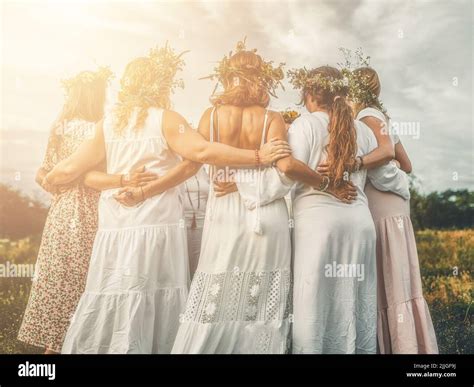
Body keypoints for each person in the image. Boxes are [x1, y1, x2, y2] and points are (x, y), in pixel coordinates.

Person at [44, 45, 290, 354]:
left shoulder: (107, 124)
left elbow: (68, 168)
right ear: (162, 84)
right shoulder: (167, 118)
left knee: (112, 288)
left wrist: (49, 178)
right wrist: (256, 156)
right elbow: (200, 153)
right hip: (158, 221)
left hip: (116, 224)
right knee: (158, 289)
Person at [171, 42, 356, 354]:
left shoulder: (210, 116)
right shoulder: (272, 119)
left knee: (217, 288)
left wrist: (147, 189)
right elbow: (284, 171)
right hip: (267, 213)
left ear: (227, 77)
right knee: (263, 298)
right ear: (264, 79)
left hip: (225, 209)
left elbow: (192, 162)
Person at [287, 65, 410, 353]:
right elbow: (382, 175)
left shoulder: (304, 125)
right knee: (356, 302)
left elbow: (290, 175)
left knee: (314, 302)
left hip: (319, 224)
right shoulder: (363, 130)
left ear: (309, 94)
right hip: (360, 223)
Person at [17, 67, 112, 354]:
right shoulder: (98, 128)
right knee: (85, 281)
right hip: (90, 208)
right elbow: (91, 171)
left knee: (59, 280)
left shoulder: (59, 126)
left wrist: (56, 185)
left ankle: (52, 351)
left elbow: (42, 173)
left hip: (61, 211)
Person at [346, 67, 438, 354]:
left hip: (381, 203)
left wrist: (358, 163)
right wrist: (391, 168)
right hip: (395, 204)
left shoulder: (366, 116)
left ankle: (398, 346)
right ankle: (409, 342)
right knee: (397, 273)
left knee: (387, 276)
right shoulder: (382, 116)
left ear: (353, 91)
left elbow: (386, 152)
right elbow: (406, 164)